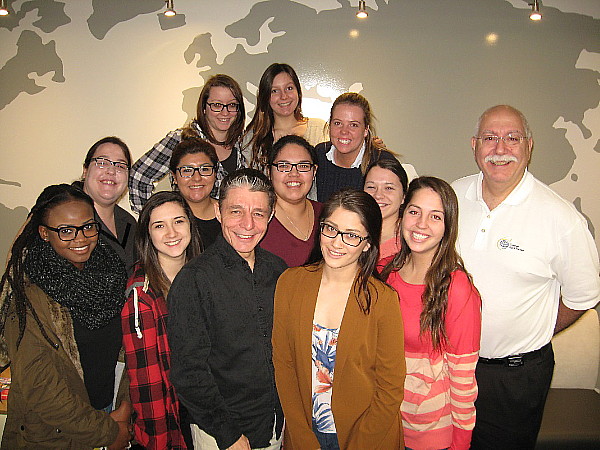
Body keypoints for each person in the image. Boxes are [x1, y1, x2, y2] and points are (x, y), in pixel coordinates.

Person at [451, 105, 600, 449]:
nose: (500, 149)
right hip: (450, 368)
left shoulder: (561, 219)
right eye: (490, 138)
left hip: (515, 379)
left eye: (512, 138)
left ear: (529, 146)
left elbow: (582, 297)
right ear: (474, 144)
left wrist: (533, 332)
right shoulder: (452, 198)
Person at [0, 184, 131, 449]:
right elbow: (40, 387)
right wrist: (107, 431)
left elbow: (124, 350)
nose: (81, 238)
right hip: (52, 434)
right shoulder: (28, 291)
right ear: (44, 233)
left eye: (88, 226)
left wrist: (125, 408)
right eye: (66, 231)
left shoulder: (111, 273)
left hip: (108, 411)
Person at [273, 188, 405, 450]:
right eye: (330, 229)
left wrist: (360, 443)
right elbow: (284, 364)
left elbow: (390, 388)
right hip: (305, 432)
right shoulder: (290, 283)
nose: (336, 242)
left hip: (366, 435)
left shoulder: (382, 300)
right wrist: (300, 432)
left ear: (368, 243)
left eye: (352, 235)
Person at [167, 169, 287, 450]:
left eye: (258, 213)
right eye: (236, 211)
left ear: (270, 217)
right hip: (222, 434)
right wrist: (228, 434)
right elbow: (188, 372)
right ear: (218, 212)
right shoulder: (194, 280)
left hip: (274, 425)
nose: (247, 224)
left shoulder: (280, 271)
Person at [380, 177, 481, 450]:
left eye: (435, 216)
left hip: (430, 432)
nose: (421, 224)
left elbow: (463, 378)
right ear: (402, 216)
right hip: (386, 423)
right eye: (414, 212)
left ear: (448, 227)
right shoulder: (386, 273)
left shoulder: (457, 288)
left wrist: (460, 444)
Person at [122, 191, 202, 449]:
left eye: (178, 221)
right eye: (159, 225)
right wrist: (159, 443)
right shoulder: (141, 297)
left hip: (203, 411)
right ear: (147, 234)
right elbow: (147, 386)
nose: (171, 233)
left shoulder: (202, 275)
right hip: (170, 423)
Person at [129, 74, 246, 213]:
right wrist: (153, 220)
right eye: (217, 105)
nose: (225, 112)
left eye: (232, 105)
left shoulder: (244, 145)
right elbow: (139, 176)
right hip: (190, 230)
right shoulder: (181, 139)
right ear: (204, 108)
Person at [244, 63, 327, 172]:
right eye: (275, 91)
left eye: (289, 88)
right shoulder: (253, 138)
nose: (284, 96)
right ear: (265, 97)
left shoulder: (320, 130)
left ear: (298, 92)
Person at [315, 93, 397, 202]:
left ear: (366, 130)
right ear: (329, 126)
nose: (344, 131)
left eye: (353, 125)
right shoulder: (319, 155)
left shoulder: (382, 163)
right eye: (338, 123)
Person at [260, 134, 322, 266]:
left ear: (314, 171)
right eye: (284, 166)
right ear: (269, 171)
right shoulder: (257, 218)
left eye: (303, 166)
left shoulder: (327, 214)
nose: (294, 173)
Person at [78, 136, 137, 275]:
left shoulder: (129, 222)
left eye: (120, 165)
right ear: (85, 170)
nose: (111, 171)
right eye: (102, 162)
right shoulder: (61, 213)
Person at [169, 137, 221, 248]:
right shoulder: (165, 217)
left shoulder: (229, 214)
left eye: (205, 169)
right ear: (174, 177)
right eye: (187, 171)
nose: (196, 178)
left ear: (215, 174)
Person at [363, 158, 408, 260]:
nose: (378, 195)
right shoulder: (351, 234)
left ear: (403, 197)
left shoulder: (411, 241)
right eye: (371, 187)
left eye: (388, 188)